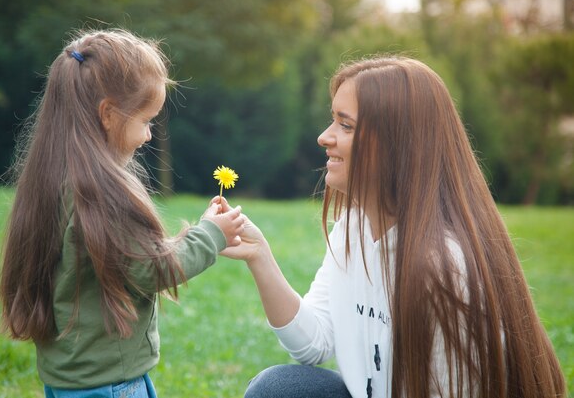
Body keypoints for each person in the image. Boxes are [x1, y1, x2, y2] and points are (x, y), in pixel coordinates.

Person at [221, 56, 566, 398]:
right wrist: (259, 256)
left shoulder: (443, 267)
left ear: (396, 144)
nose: (324, 138)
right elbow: (314, 343)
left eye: (346, 125)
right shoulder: (352, 228)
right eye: (332, 121)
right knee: (279, 390)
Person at [0, 28, 245, 398]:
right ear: (109, 114)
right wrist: (211, 234)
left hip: (68, 378)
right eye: (146, 121)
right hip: (109, 381)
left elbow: (124, 258)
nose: (148, 136)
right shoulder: (101, 191)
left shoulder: (52, 177)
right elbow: (150, 269)